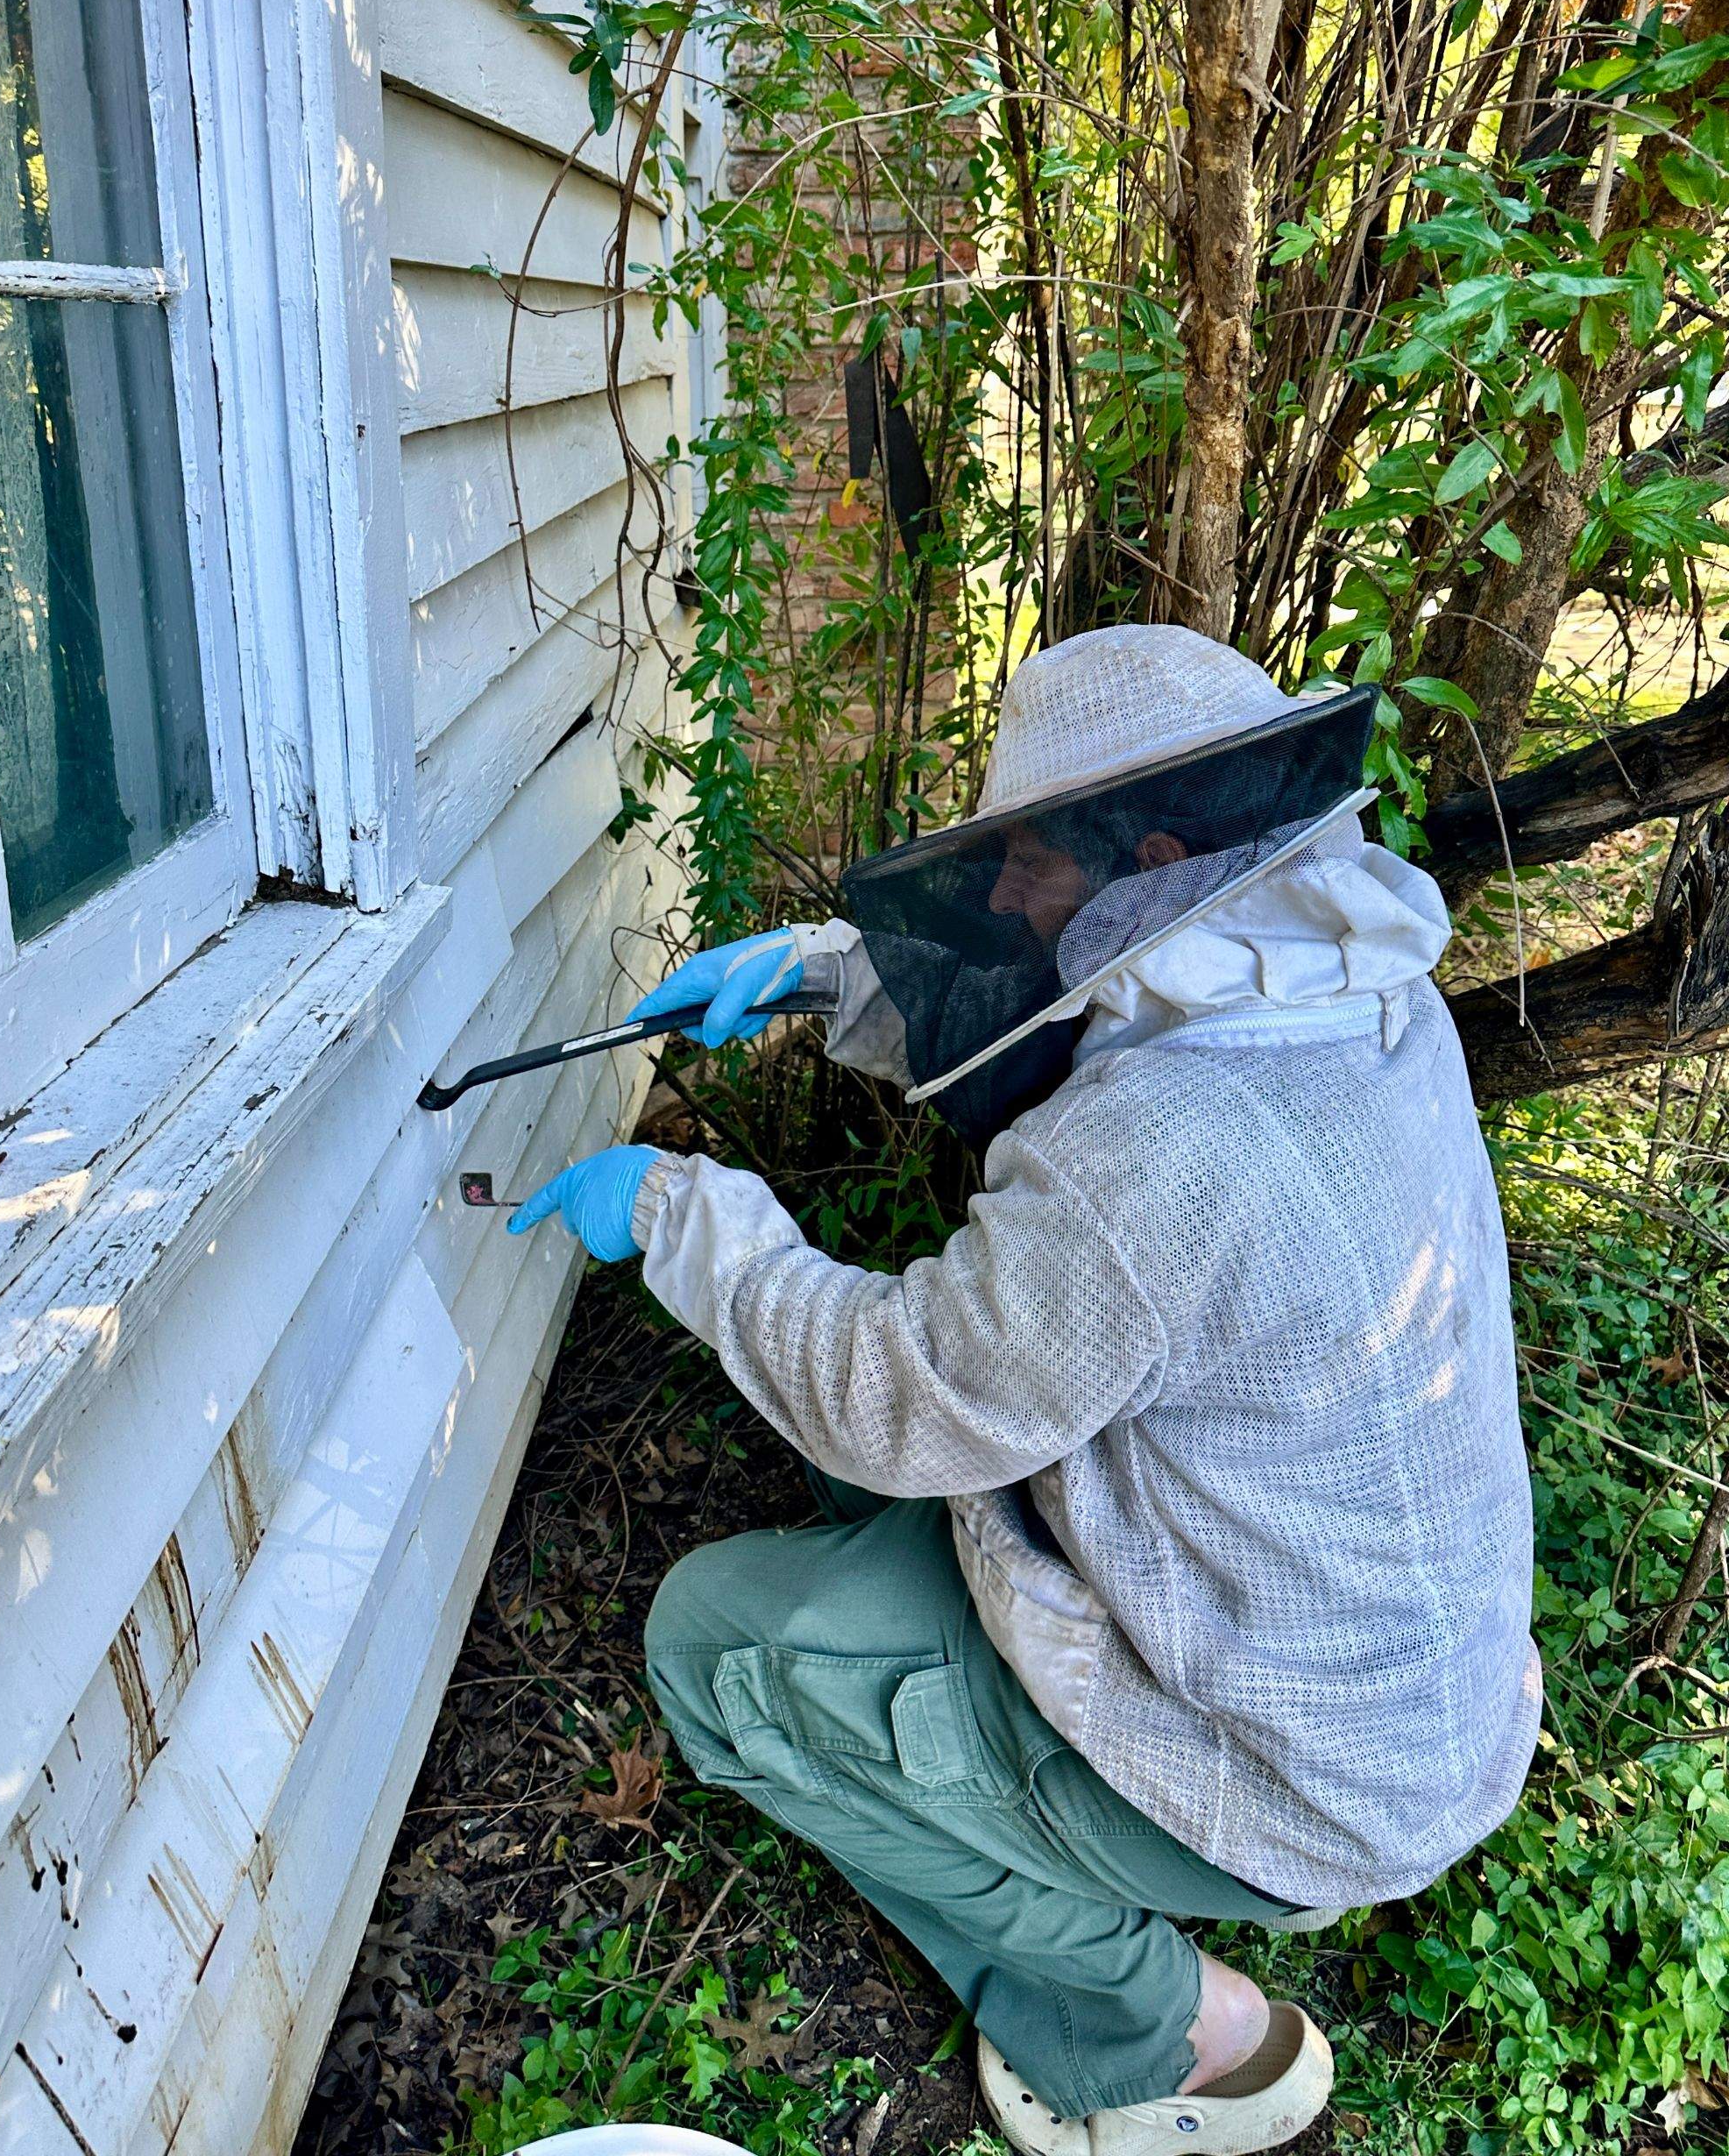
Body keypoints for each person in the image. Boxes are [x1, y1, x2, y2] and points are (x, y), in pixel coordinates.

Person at [508, 625, 1541, 2156]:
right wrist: (815, 976)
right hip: (1408, 1705)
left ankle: (1169, 2031)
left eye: (1027, 858)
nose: (998, 893)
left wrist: (676, 1212)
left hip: (1292, 1775)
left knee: (716, 1642)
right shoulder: (1352, 988)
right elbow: (1047, 1007)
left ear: (1159, 851)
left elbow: (893, 1395)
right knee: (884, 1483)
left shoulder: (1167, 1152)